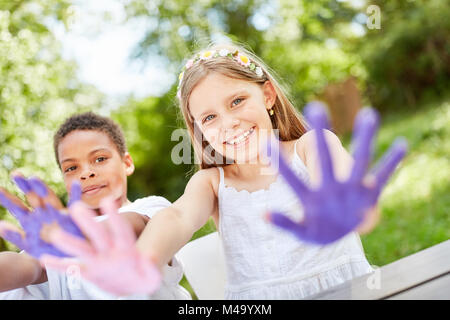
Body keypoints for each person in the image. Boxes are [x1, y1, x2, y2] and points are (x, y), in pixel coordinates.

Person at [41, 43, 406, 299]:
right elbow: (176, 217)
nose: (228, 123)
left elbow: (352, 199)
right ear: (198, 129)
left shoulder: (312, 147)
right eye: (210, 117)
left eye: (237, 101)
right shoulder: (212, 183)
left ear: (267, 95)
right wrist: (141, 261)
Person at [0, 112, 191, 300]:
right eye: (72, 168)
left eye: (99, 159)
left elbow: (130, 226)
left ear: (127, 163)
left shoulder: (151, 208)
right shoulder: (55, 235)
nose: (86, 173)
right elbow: (25, 265)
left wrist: (75, 234)